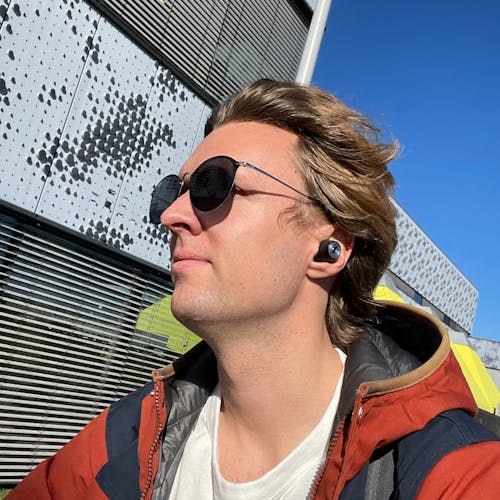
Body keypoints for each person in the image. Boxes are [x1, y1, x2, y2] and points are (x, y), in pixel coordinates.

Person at [9, 79, 500, 499]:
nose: (171, 215)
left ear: (327, 249)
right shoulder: (127, 436)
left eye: (215, 185)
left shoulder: (449, 472)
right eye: (174, 191)